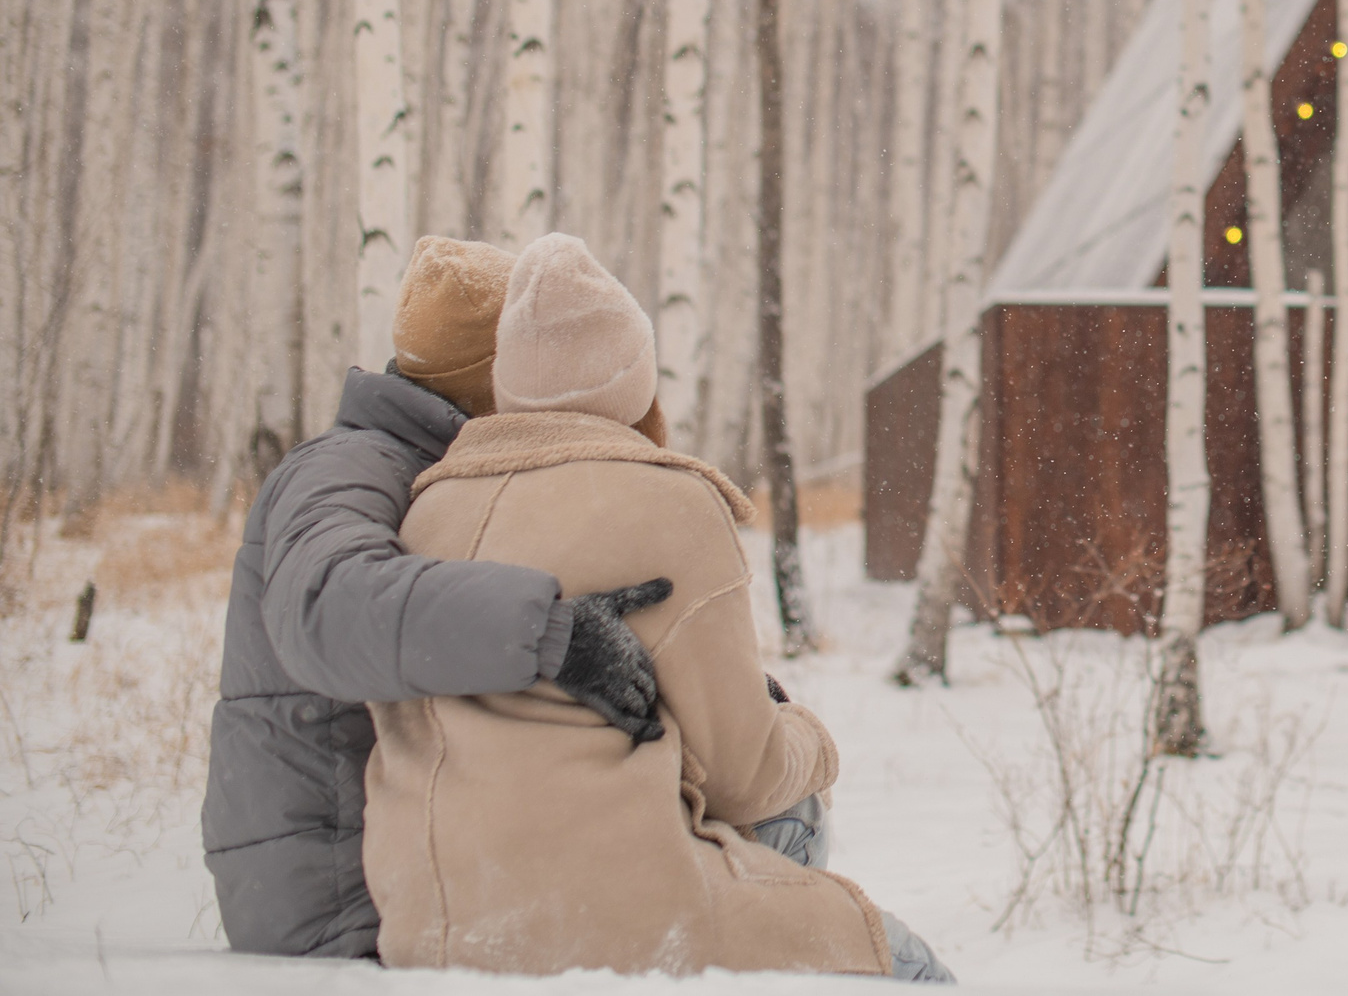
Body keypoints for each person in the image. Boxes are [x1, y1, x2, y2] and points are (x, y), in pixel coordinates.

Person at [363, 233, 951, 981]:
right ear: (631, 378)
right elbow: (745, 773)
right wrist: (810, 735)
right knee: (909, 961)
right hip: (605, 925)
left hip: (428, 916)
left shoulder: (425, 507)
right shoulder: (668, 502)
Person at [203, 237, 669, 958]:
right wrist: (553, 633)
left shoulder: (445, 473)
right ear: (499, 369)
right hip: (341, 899)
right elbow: (326, 607)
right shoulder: (348, 466)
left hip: (413, 861)